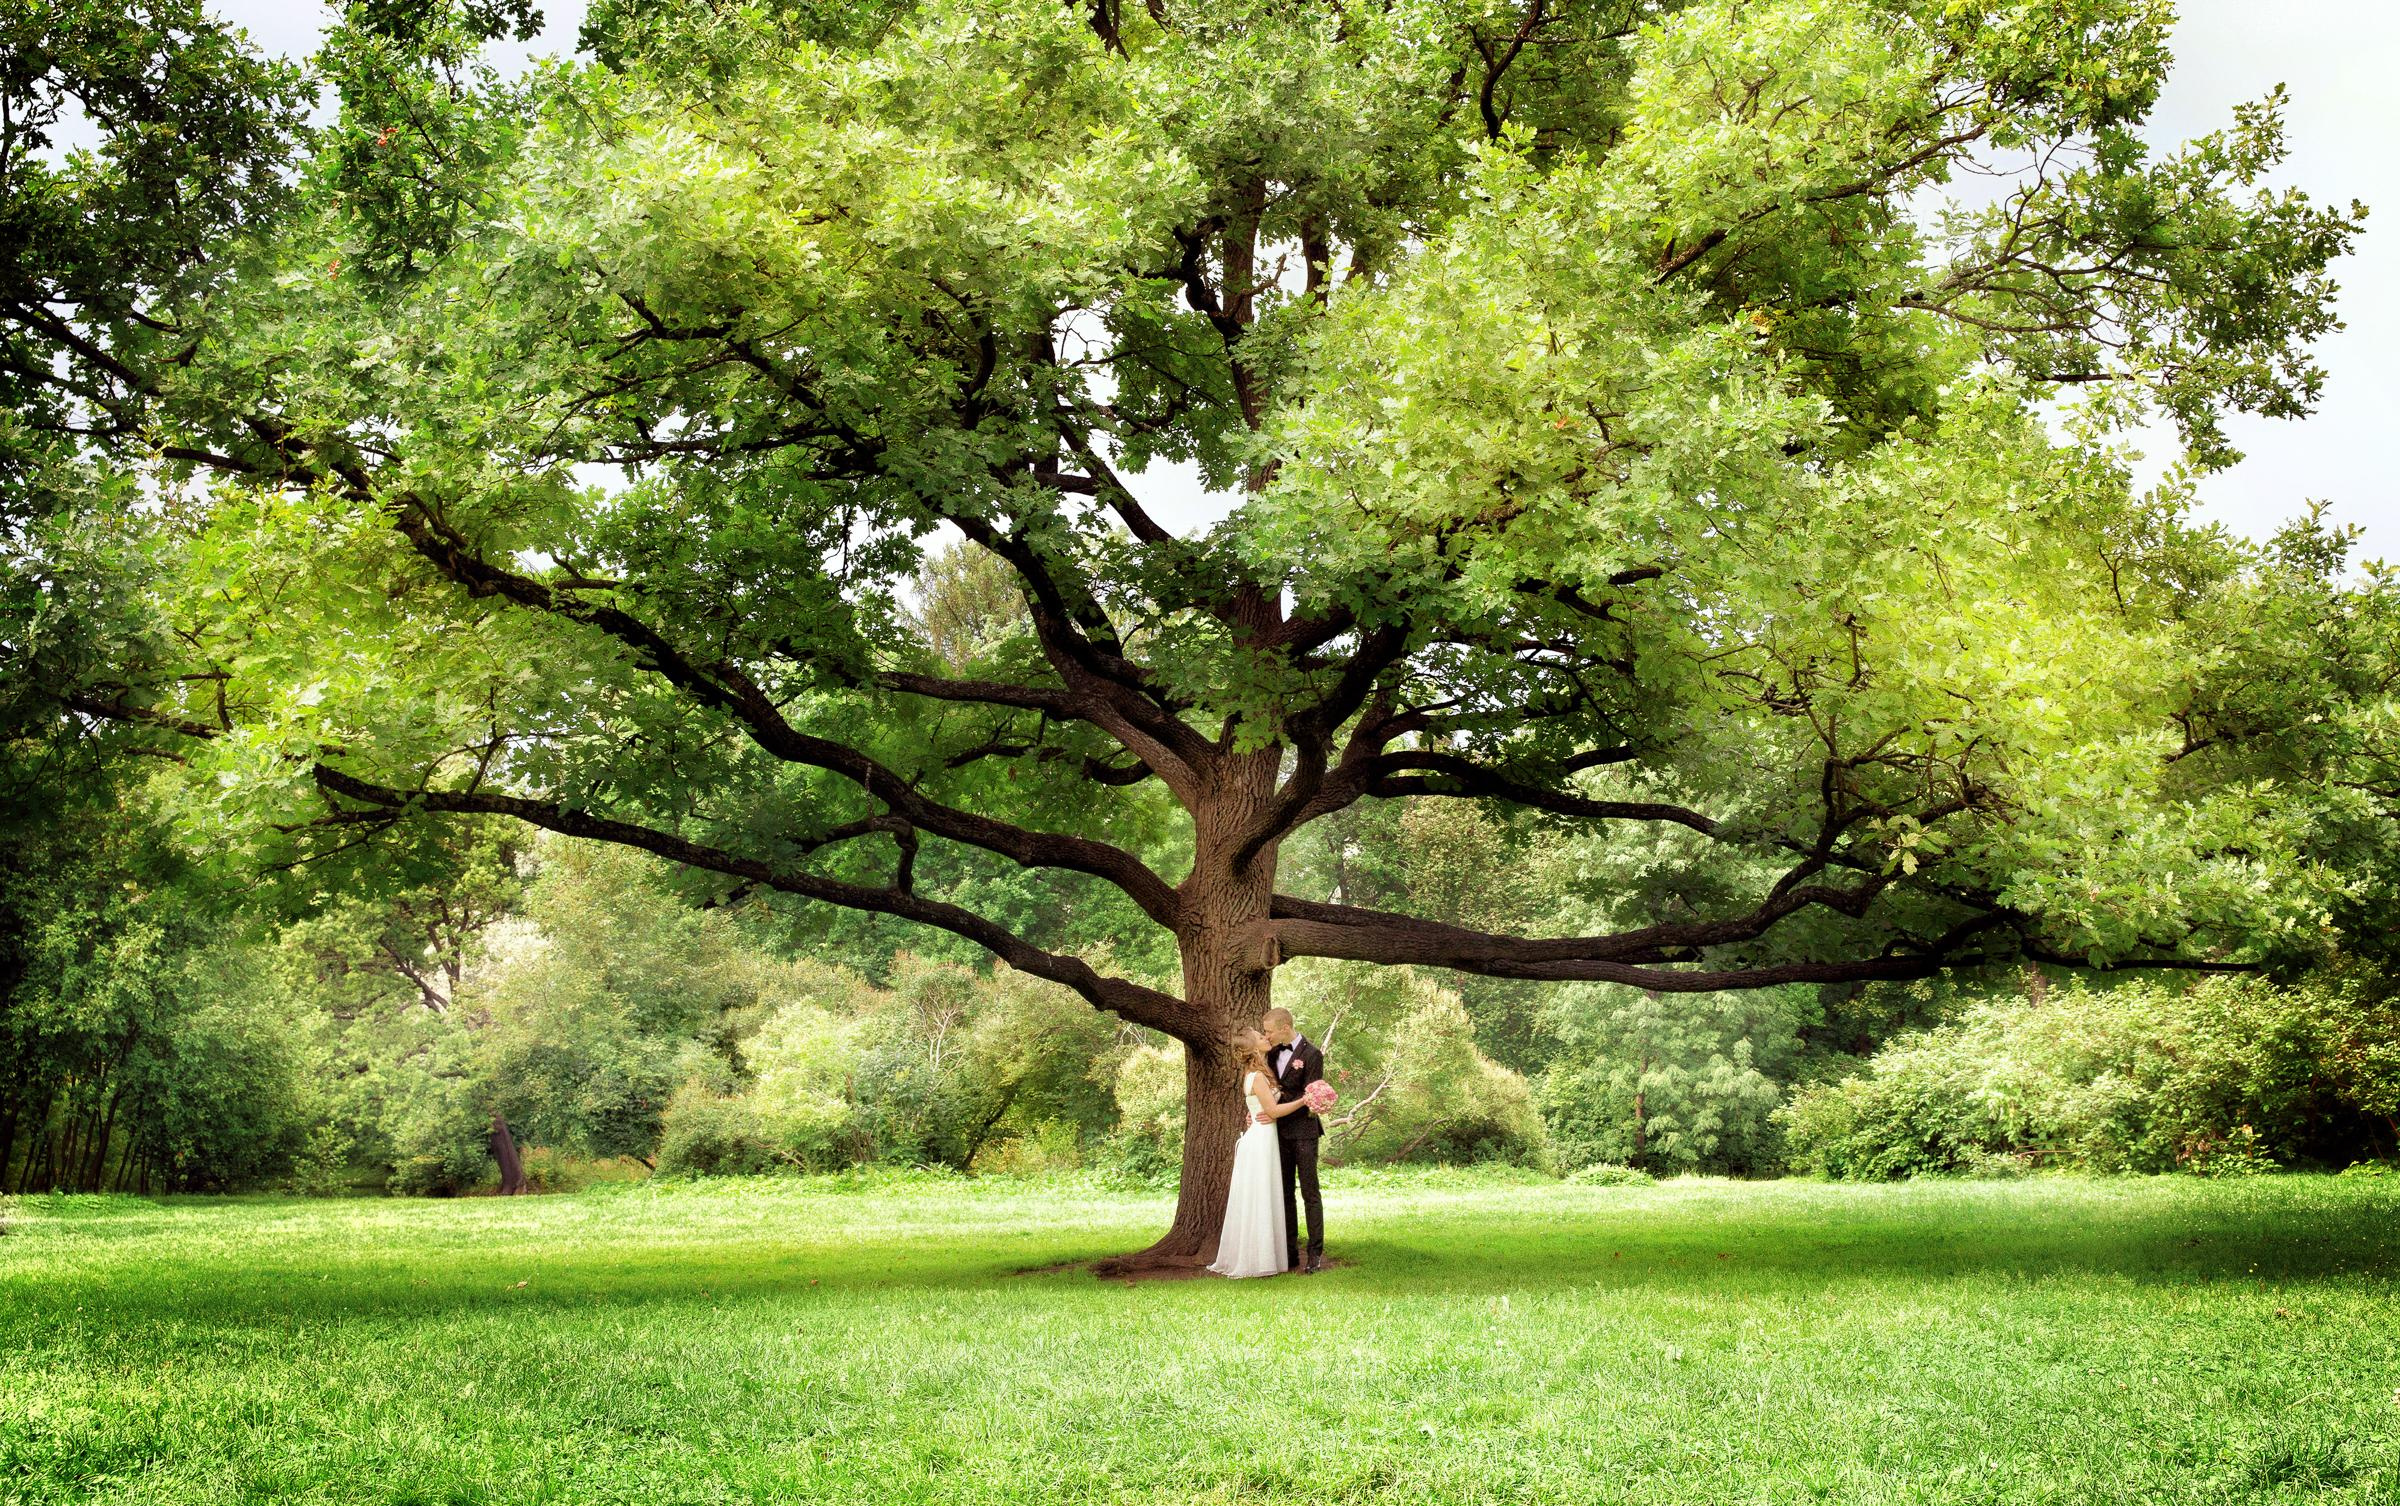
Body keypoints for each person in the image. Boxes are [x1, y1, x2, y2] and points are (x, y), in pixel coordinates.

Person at [1207, 1024, 1307, 1278]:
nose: (1266, 1038)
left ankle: (1265, 1256)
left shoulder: (1262, 1071)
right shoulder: (1257, 1076)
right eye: (1261, 1037)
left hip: (1264, 1137)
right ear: (1253, 1049)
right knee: (1260, 1196)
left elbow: (1262, 1107)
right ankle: (1257, 1260)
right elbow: (1272, 1112)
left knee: (1264, 1196)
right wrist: (1305, 1100)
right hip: (1261, 1140)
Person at [1260, 1006, 1326, 1273]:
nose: (1267, 1036)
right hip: (1277, 1132)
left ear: (1285, 1028)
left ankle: (1315, 1254)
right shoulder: (1272, 1053)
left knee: (1310, 1192)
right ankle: (1289, 1253)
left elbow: (1312, 1097)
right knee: (1285, 1194)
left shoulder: (1312, 1055)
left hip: (1305, 1132)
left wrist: (1276, 1107)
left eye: (1269, 1031)